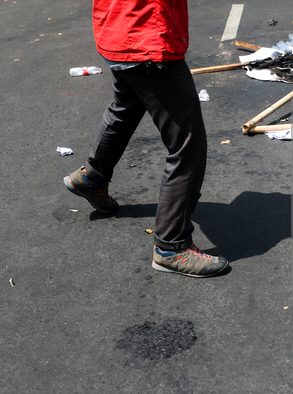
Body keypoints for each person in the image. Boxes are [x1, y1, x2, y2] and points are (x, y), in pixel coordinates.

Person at [63, 0, 228, 278]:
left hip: (117, 28)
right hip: (146, 36)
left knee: (126, 105)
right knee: (187, 143)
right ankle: (171, 246)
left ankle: (92, 178)